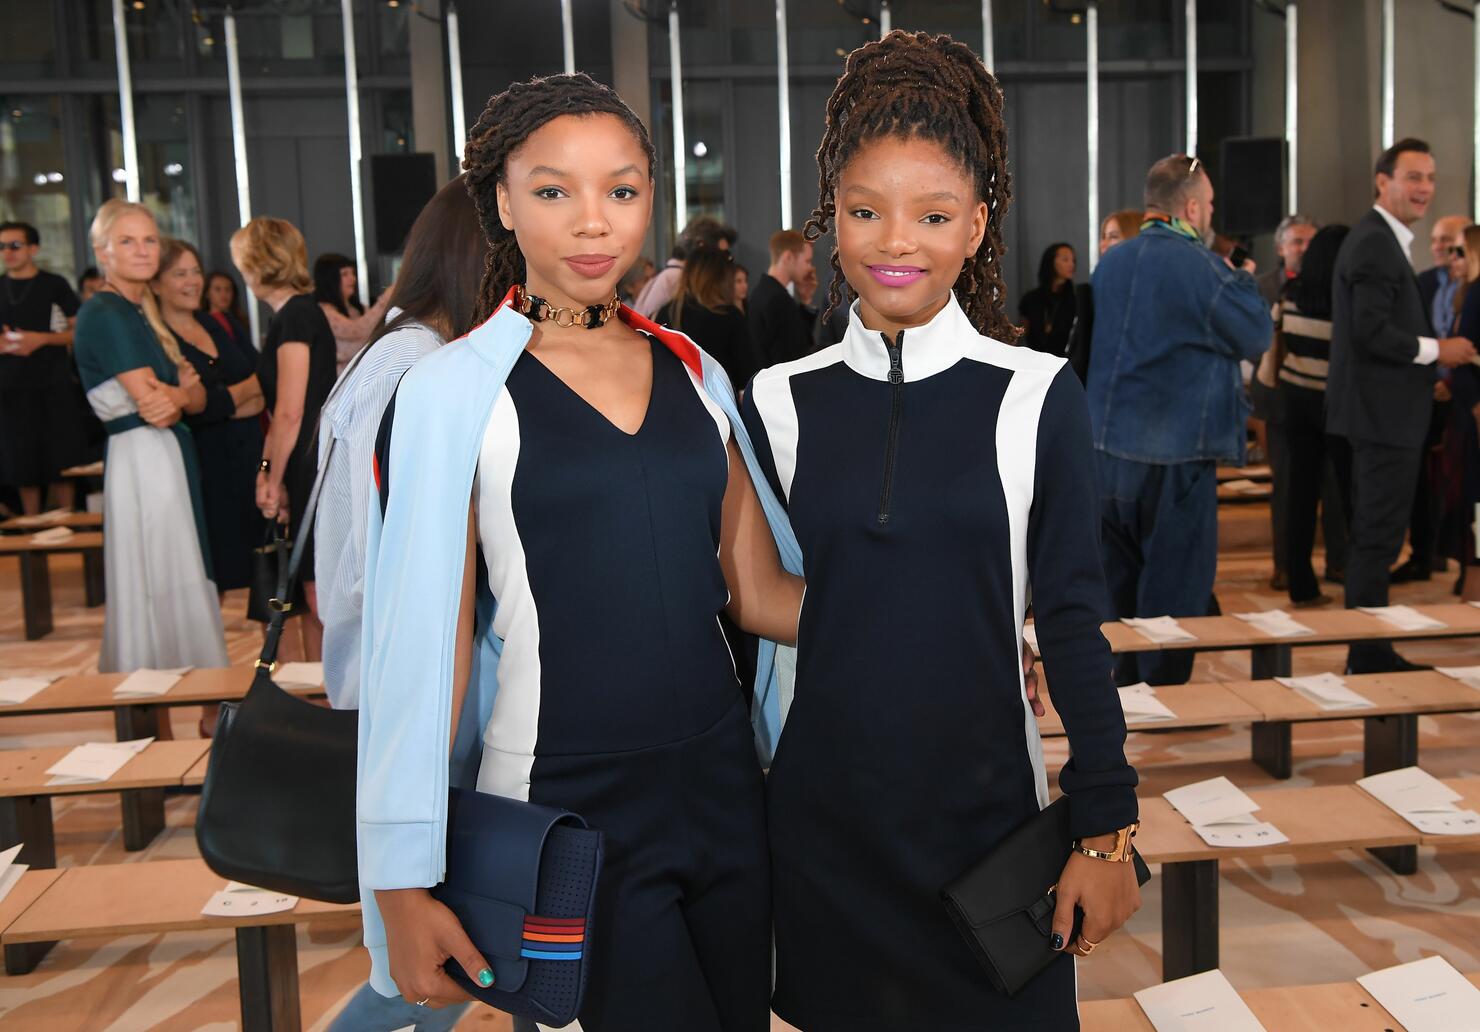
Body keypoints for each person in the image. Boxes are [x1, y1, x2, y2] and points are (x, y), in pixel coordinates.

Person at [356, 72, 806, 1031]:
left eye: (624, 189)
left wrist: (940, 613)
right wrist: (399, 883)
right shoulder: (448, 395)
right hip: (563, 804)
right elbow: (421, 654)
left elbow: (760, 591)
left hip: (724, 785)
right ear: (504, 204)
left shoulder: (696, 371)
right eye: (555, 190)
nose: (594, 221)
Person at [742, 31, 1139, 1031]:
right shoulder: (777, 399)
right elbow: (751, 612)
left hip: (987, 827)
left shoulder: (1035, 393)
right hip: (824, 831)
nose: (894, 242)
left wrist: (1103, 829)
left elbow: (1075, 623)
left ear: (977, 226)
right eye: (863, 211)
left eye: (932, 215)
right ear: (828, 220)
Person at [318, 177, 487, 1032]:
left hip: (402, 668)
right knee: (427, 942)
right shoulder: (420, 368)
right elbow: (390, 553)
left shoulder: (392, 352)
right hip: (423, 675)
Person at [1088, 154, 1272, 686]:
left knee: (1117, 585)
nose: (1211, 212)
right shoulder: (1203, 267)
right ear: (1191, 207)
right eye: (1209, 203)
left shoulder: (1112, 264)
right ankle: (1163, 696)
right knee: (1174, 588)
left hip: (1106, 451)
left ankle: (1121, 694)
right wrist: (1242, 282)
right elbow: (1256, 336)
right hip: (1174, 454)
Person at [1328, 139, 1476, 673]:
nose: (1424, 189)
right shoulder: (1374, 242)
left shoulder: (1382, 240)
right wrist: (1441, 349)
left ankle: (1369, 651)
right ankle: (1369, 655)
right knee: (1376, 539)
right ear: (1382, 181)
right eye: (1413, 177)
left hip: (1381, 413)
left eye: (1431, 178)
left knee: (1376, 537)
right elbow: (1370, 332)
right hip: (1383, 416)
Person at [72, 200, 228, 673]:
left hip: (161, 454)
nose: (142, 250)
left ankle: (190, 692)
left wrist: (181, 394)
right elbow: (155, 404)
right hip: (142, 458)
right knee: (157, 571)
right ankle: (152, 688)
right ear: (103, 251)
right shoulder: (106, 313)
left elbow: (186, 397)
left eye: (149, 240)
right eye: (127, 241)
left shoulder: (141, 310)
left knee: (176, 567)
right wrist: (182, 393)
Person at [231, 216, 336, 660]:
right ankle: (321, 693)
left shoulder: (294, 317)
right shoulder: (298, 313)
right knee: (311, 586)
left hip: (305, 461)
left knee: (314, 588)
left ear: (255, 263)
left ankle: (329, 698)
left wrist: (268, 475)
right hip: (309, 457)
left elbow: (290, 411)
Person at [152, 238, 265, 597]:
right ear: (156, 284)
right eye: (179, 273)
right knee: (210, 572)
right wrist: (236, 397)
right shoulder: (157, 339)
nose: (192, 281)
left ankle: (273, 654)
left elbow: (262, 381)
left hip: (249, 456)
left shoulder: (218, 323)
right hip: (205, 466)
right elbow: (191, 409)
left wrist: (217, 402)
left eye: (195, 271)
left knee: (263, 568)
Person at [1273, 225, 1350, 608]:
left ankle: (1300, 582)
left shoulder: (1291, 294)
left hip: (1295, 399)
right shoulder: (1346, 300)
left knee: (1300, 494)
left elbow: (1278, 340)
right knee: (1347, 492)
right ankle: (1354, 573)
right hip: (1335, 403)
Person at [0, 220, 88, 514]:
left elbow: (78, 331)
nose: (8, 252)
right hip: (10, 388)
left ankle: (67, 523)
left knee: (61, 458)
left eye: (15, 245)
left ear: (33, 248)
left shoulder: (54, 284)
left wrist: (42, 339)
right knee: (22, 462)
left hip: (53, 383)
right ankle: (31, 528)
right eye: (2, 247)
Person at [1253, 215, 1317, 593]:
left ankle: (1332, 564)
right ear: (1280, 247)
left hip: (1313, 399)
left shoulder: (1325, 285)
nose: (1303, 249)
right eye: (1297, 242)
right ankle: (1284, 566)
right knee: (1286, 484)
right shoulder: (1262, 287)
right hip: (1276, 399)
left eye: (1310, 242)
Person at [1444, 223, 1480, 600]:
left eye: (1459, 252)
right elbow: (1464, 361)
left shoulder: (1473, 293)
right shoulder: (1470, 293)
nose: (1452, 260)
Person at [655, 246, 749, 387]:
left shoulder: (668, 312)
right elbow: (747, 372)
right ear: (722, 278)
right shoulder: (728, 316)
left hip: (677, 399)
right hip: (719, 403)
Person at [742, 228, 814, 381]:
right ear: (788, 257)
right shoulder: (778, 299)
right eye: (807, 261)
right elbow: (793, 358)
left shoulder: (762, 292)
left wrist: (805, 299)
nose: (809, 268)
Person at [632, 214, 736, 318]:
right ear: (701, 247)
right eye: (722, 255)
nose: (725, 264)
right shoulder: (677, 279)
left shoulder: (668, 277)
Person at [314, 253, 391, 373]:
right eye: (345, 274)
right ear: (329, 279)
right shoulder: (323, 311)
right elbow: (357, 330)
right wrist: (385, 299)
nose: (353, 279)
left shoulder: (358, 308)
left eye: (353, 273)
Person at [1018, 242, 1078, 358]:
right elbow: (1021, 336)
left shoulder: (1076, 300)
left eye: (1073, 260)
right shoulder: (1031, 299)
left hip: (1067, 363)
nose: (1071, 264)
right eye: (1065, 260)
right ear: (1051, 262)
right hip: (1035, 362)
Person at [1419, 214, 1469, 336]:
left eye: (1445, 240)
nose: (1437, 247)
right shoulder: (1422, 281)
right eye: (1434, 241)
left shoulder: (1475, 284)